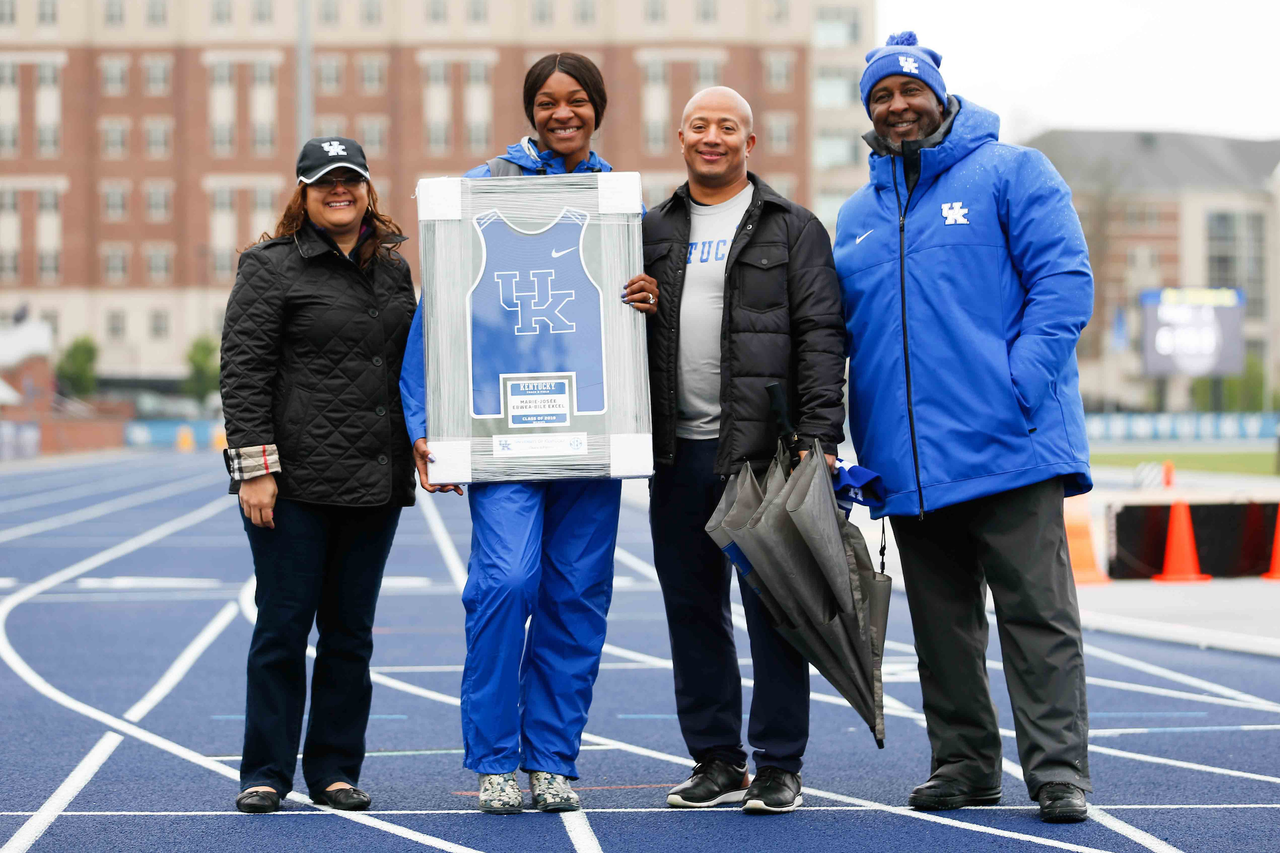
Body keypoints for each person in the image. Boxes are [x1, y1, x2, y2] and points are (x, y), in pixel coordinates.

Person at [833, 32, 1094, 823]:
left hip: (1011, 444)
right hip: (909, 460)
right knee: (943, 629)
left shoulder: (1014, 173)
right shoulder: (855, 214)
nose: (897, 106)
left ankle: (1057, 772)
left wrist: (1017, 387)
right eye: (881, 96)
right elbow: (840, 331)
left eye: (910, 91)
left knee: (1036, 617)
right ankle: (966, 765)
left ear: (940, 96)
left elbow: (1064, 283)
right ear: (871, 114)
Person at [400, 52, 658, 815]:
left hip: (591, 433)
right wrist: (426, 425)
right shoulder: (477, 195)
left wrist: (650, 295)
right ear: (530, 111)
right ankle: (492, 758)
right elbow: (437, 318)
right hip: (497, 432)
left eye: (577, 100)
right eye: (547, 102)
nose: (562, 113)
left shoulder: (618, 205)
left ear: (598, 108)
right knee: (505, 582)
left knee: (577, 597)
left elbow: (636, 322)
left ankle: (551, 757)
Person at [634, 86, 846, 814]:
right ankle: (717, 758)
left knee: (776, 611)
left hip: (766, 453)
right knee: (692, 610)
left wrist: (818, 442)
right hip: (678, 453)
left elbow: (822, 338)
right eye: (700, 125)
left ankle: (779, 763)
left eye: (729, 126)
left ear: (750, 143)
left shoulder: (795, 228)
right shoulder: (650, 228)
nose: (713, 136)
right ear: (681, 138)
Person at [220, 137, 419, 814]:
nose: (340, 190)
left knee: (350, 633)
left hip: (373, 477)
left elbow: (407, 369)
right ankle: (266, 771)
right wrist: (255, 470)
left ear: (368, 189)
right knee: (282, 625)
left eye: (351, 180)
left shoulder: (392, 270)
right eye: (324, 182)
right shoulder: (268, 266)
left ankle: (335, 768)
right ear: (302, 194)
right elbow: (243, 372)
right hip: (292, 484)